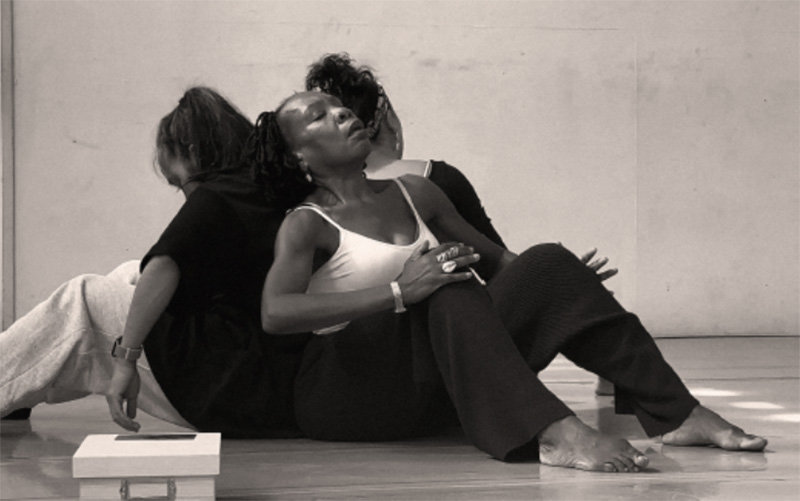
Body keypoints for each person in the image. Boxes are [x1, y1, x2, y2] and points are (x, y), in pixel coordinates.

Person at [250, 90, 767, 473]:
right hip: (348, 396)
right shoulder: (308, 222)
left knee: (546, 263)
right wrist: (399, 292)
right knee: (446, 284)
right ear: (302, 157)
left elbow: (500, 262)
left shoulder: (416, 191)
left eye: (339, 106)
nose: (341, 113)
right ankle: (555, 433)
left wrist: (564, 284)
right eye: (319, 116)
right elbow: (275, 313)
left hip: (433, 386)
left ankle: (678, 413)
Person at [1, 87, 306, 438]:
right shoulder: (262, 186)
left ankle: (11, 383)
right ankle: (16, 390)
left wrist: (125, 360)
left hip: (227, 384)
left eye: (180, 182)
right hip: (258, 371)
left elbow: (165, 265)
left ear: (192, 152)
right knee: (130, 274)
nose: (186, 196)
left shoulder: (218, 195)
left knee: (83, 299)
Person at [305, 52, 617, 394]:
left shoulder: (311, 202)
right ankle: (619, 378)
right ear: (389, 120)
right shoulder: (433, 181)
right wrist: (557, 283)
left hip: (349, 372)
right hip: (428, 360)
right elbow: (499, 266)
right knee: (471, 294)